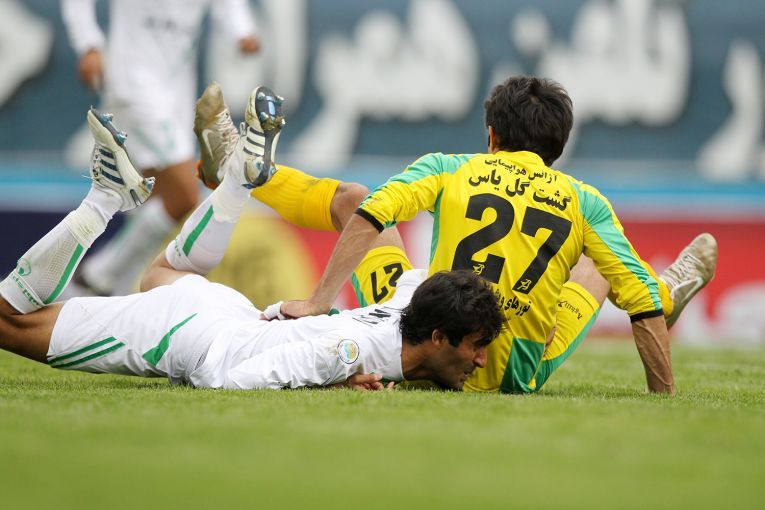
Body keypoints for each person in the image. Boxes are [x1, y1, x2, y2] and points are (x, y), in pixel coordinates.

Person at [197, 76, 717, 395]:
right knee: (604, 267)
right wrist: (663, 397)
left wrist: (318, 301)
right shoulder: (586, 203)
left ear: (491, 135)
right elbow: (639, 305)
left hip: (421, 337)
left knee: (353, 197)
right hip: (509, 369)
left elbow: (372, 213)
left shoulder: (450, 168)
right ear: (558, 147)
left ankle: (246, 171)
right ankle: (669, 292)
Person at [0, 93, 504, 391]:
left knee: (163, 276)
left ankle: (240, 179)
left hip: (228, 316)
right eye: (477, 347)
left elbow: (421, 277)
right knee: (7, 322)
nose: (482, 361)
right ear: (437, 337)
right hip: (195, 340)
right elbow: (235, 381)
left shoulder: (408, 301)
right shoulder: (352, 350)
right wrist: (333, 382)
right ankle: (105, 199)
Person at [60, 0, 260, 296]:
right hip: (134, 83)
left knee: (154, 194)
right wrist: (88, 44)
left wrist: (243, 31)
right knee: (184, 193)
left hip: (176, 89)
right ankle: (95, 276)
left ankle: (115, 291)